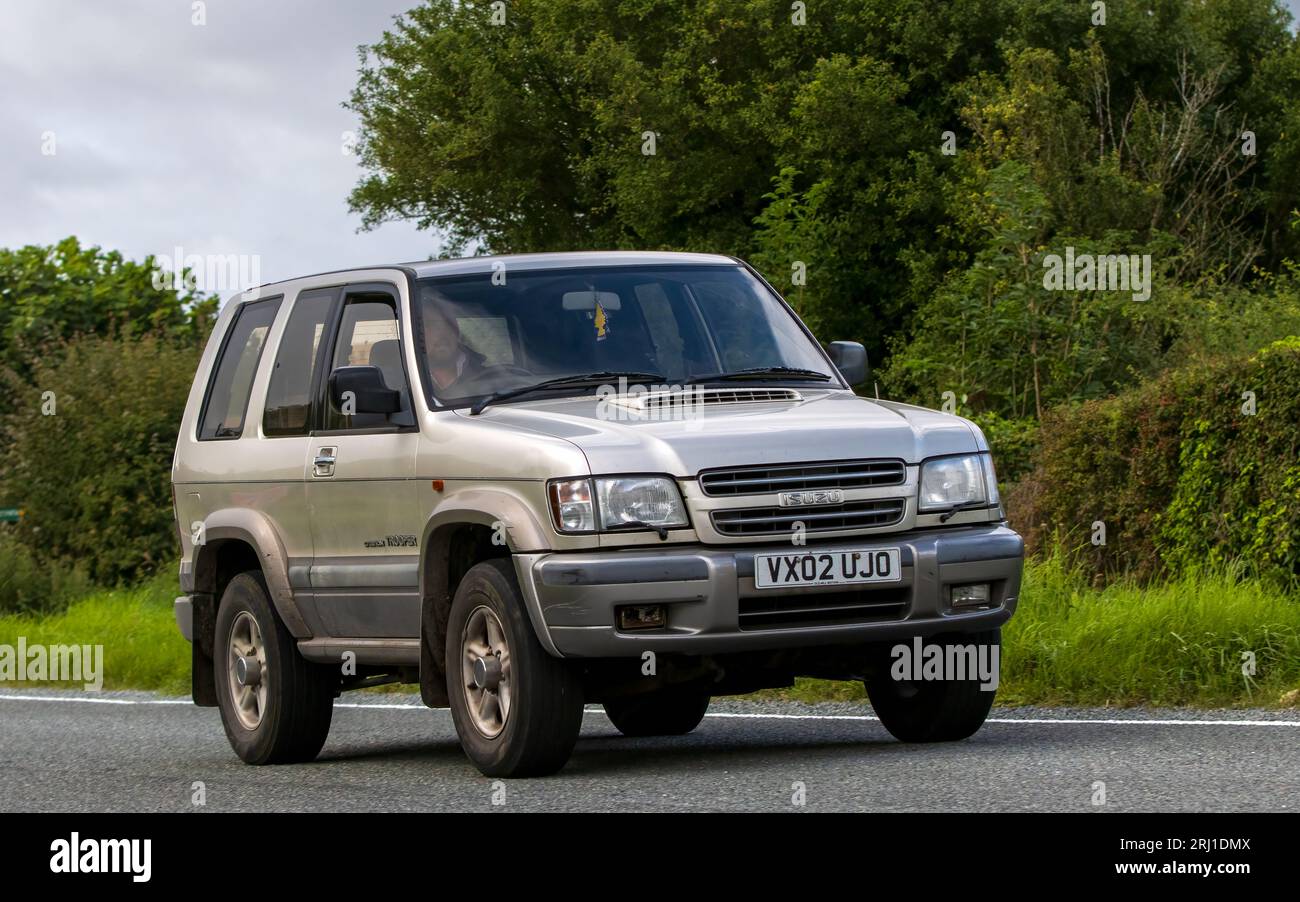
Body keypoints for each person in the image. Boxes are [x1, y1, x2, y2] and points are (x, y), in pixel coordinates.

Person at [421, 296, 489, 395]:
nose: (442, 332)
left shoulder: (490, 379)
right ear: (418, 333)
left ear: (457, 331)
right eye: (432, 324)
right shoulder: (406, 383)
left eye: (449, 324)